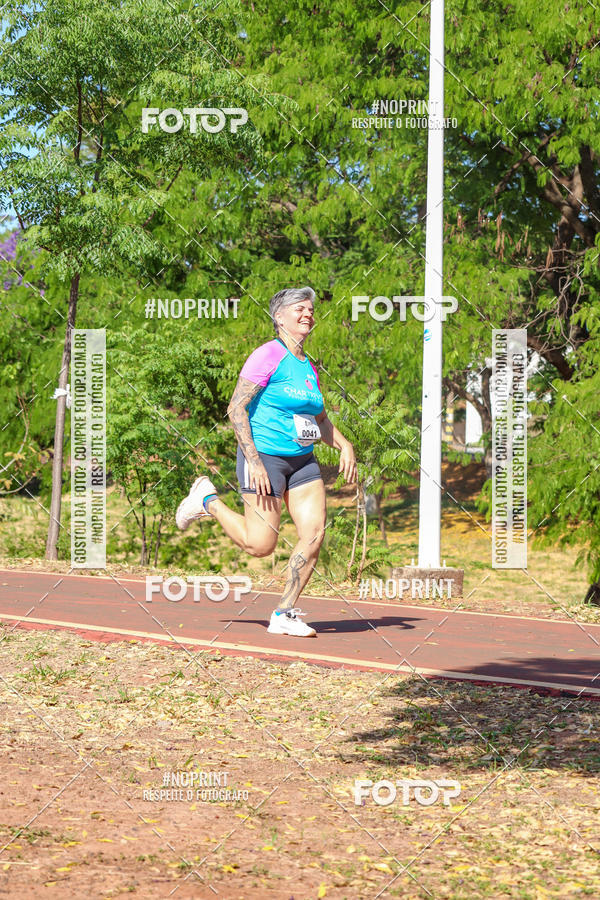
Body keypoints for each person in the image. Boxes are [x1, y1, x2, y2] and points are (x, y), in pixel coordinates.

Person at [176, 286, 356, 636]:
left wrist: (344, 445)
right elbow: (235, 408)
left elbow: (319, 421)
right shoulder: (267, 355)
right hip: (265, 458)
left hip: (302, 461)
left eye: (310, 310)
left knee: (314, 534)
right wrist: (255, 462)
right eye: (299, 309)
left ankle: (284, 613)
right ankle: (206, 500)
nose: (308, 315)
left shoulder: (308, 367)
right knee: (260, 545)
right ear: (279, 317)